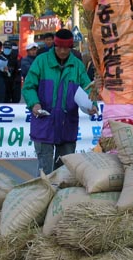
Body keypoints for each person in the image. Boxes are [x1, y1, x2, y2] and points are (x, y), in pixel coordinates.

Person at [22, 28, 97, 175]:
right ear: (54, 46)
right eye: (59, 47)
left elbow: (88, 88)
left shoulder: (77, 65)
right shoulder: (41, 61)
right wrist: (34, 104)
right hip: (44, 122)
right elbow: (29, 86)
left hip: (67, 123)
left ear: (71, 48)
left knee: (64, 169)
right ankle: (43, 196)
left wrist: (92, 104)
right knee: (45, 169)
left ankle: (59, 197)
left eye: (66, 48)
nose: (63, 51)